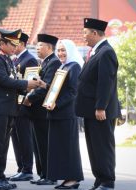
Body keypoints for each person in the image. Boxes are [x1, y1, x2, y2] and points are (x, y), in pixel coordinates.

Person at [0, 28, 39, 190]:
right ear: (2, 43)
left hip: (7, 109)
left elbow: (14, 84)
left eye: (16, 44)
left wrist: (32, 86)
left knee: (3, 146)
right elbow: (5, 82)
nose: (15, 47)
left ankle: (0, 176)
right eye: (12, 44)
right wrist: (27, 84)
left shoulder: (7, 60)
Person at [75, 18, 120, 190]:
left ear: (95, 33)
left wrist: (101, 106)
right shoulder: (96, 51)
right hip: (90, 111)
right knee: (94, 148)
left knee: (102, 147)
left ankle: (107, 181)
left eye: (85, 33)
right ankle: (100, 179)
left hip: (100, 111)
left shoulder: (106, 52)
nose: (84, 36)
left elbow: (105, 83)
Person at [39, 39, 84, 189]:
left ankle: (73, 179)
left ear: (70, 51)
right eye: (58, 50)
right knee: (60, 148)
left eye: (63, 50)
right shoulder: (64, 66)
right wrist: (44, 85)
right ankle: (66, 178)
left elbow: (73, 92)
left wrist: (56, 103)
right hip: (56, 114)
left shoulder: (75, 67)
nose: (60, 53)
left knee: (68, 148)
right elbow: (57, 89)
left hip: (66, 114)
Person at [23, 34, 61, 185]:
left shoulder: (54, 63)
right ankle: (43, 174)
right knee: (38, 144)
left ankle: (50, 176)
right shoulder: (45, 63)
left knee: (45, 144)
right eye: (36, 46)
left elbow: (48, 87)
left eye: (40, 46)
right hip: (36, 112)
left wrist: (29, 98)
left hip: (43, 111)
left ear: (49, 47)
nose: (37, 48)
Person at [9, 32, 38, 182]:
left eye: (15, 44)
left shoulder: (30, 60)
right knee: (16, 137)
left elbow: (31, 86)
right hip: (15, 104)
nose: (13, 47)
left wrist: (26, 100)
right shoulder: (16, 60)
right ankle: (20, 167)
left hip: (24, 105)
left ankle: (27, 169)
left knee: (25, 137)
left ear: (22, 44)